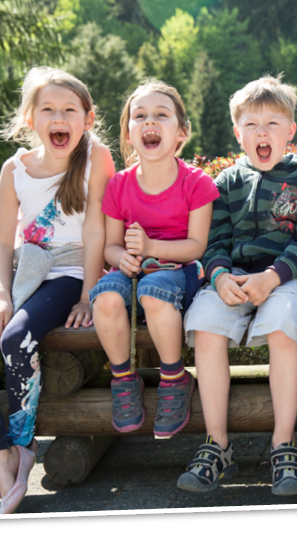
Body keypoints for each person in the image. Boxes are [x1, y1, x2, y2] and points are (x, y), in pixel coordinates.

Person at [0, 67, 115, 514]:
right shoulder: (14, 168)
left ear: (87, 119)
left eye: (69, 109)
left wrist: (87, 295)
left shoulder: (98, 159)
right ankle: (2, 456)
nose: (59, 116)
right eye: (48, 109)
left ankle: (23, 442)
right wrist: (3, 296)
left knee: (16, 338)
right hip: (20, 269)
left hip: (70, 273)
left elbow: (95, 234)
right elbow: (0, 242)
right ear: (30, 119)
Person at [178, 75, 297, 496]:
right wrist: (220, 276)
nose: (263, 133)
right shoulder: (223, 182)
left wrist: (273, 277)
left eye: (273, 123)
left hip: (288, 275)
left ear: (290, 131)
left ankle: (283, 444)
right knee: (205, 322)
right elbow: (214, 241)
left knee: (281, 323)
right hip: (234, 277)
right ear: (238, 133)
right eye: (252, 124)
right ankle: (218, 443)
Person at [89, 80, 217, 439]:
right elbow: (111, 247)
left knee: (155, 290)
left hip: (179, 276)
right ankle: (123, 380)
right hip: (132, 274)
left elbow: (196, 247)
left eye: (162, 115)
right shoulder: (119, 185)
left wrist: (150, 247)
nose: (150, 122)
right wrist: (122, 258)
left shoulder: (196, 183)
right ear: (129, 133)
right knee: (106, 296)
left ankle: (174, 378)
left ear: (181, 132)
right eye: (140, 115)